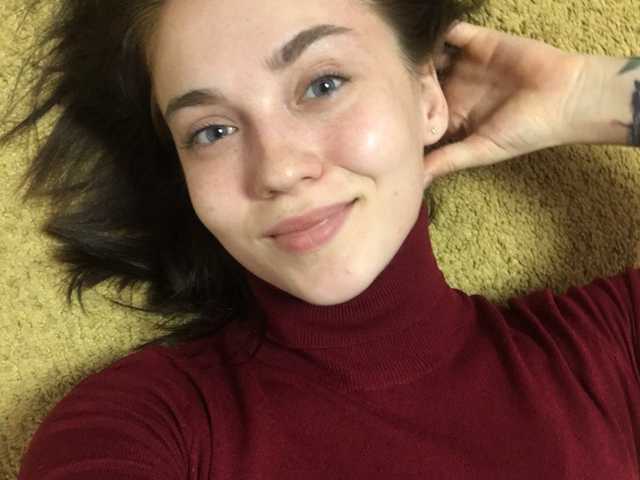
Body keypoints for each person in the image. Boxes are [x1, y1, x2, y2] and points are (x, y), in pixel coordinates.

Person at [3, 0, 639, 478]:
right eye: (211, 131)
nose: (278, 170)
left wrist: (586, 92)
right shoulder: (140, 427)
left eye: (323, 85)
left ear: (427, 96)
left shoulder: (608, 349)